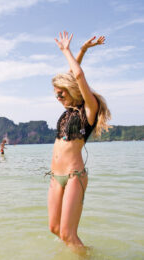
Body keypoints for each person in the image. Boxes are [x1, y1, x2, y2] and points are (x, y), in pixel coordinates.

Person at [47, 31, 111, 254]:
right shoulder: (67, 112)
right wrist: (82, 51)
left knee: (68, 233)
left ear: (72, 91)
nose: (58, 98)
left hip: (75, 175)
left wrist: (69, 51)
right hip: (56, 177)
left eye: (60, 93)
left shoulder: (89, 110)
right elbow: (72, 77)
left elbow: (79, 76)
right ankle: (89, 253)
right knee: (55, 228)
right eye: (56, 95)